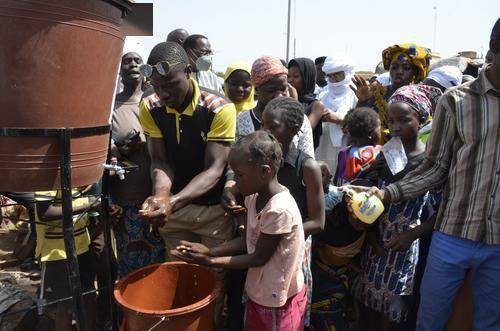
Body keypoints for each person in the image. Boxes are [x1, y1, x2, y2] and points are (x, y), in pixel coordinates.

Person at [355, 19, 500, 331]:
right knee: (430, 320)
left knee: (489, 322)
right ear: (495, 51)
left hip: (498, 242)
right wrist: (386, 193)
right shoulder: (457, 101)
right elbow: (435, 168)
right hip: (454, 235)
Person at [138, 42, 236, 319]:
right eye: (157, 86)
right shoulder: (150, 104)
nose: (164, 93)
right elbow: (160, 160)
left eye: (170, 83)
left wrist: (173, 201)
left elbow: (214, 168)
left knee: (213, 281)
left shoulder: (220, 108)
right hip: (175, 212)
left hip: (213, 212)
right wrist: (160, 197)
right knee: (178, 278)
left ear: (190, 71)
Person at [172, 131, 307, 330]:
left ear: (265, 171)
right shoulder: (253, 196)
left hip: (277, 297)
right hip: (261, 289)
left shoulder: (279, 209)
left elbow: (258, 258)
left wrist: (210, 261)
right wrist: (210, 250)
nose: (235, 180)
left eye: (240, 175)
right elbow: (248, 240)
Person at [349, 85, 441, 331]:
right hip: (377, 243)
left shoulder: (429, 162)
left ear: (421, 119)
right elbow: (368, 191)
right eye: (390, 120)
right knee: (367, 306)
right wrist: (370, 235)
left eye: (404, 119)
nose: (396, 126)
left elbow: (441, 212)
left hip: (405, 246)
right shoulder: (388, 153)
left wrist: (411, 235)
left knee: (391, 313)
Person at [310, 108, 382, 331]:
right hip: (362, 202)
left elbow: (343, 178)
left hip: (352, 200)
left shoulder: (345, 153)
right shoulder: (378, 152)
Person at [111, 52, 165, 276]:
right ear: (120, 70)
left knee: (160, 263)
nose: (132, 64)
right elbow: (100, 151)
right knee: (131, 263)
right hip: (127, 200)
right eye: (126, 61)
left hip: (159, 198)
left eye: (137, 60)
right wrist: (121, 148)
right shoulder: (111, 107)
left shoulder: (158, 102)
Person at [35, 189, 98, 331]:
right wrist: (89, 206)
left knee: (88, 296)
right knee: (65, 304)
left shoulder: (77, 172)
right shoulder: (50, 176)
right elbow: (45, 213)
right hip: (57, 252)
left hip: (82, 245)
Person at [237, 55, 315, 157]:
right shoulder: (241, 121)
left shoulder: (300, 120)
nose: (279, 95)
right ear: (256, 90)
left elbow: (307, 159)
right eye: (271, 90)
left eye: (283, 89)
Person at [351, 43, 432, 141]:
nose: (399, 71)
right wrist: (363, 101)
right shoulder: (377, 95)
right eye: (394, 67)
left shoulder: (420, 99)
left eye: (406, 68)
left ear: (414, 72)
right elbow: (357, 128)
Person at [316, 52, 358, 174]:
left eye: (337, 75)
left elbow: (362, 125)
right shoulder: (323, 95)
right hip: (323, 147)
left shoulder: (356, 96)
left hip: (347, 147)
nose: (333, 79)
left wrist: (338, 119)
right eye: (330, 76)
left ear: (347, 73)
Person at [288, 57, 327, 149]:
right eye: (289, 76)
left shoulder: (316, 105)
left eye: (296, 76)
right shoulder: (284, 100)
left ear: (306, 78)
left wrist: (294, 102)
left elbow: (303, 132)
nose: (290, 81)